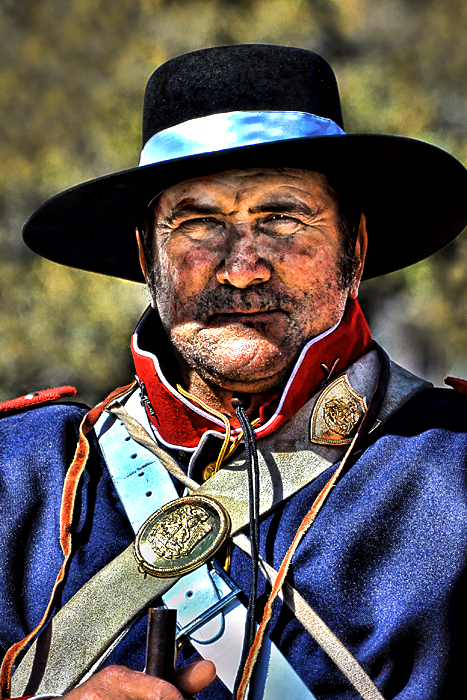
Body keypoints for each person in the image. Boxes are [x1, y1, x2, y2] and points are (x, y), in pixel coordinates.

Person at [1, 44, 467, 700]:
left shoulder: (456, 467)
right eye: (198, 224)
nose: (242, 266)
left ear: (353, 248)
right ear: (145, 256)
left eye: (281, 219)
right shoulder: (19, 478)